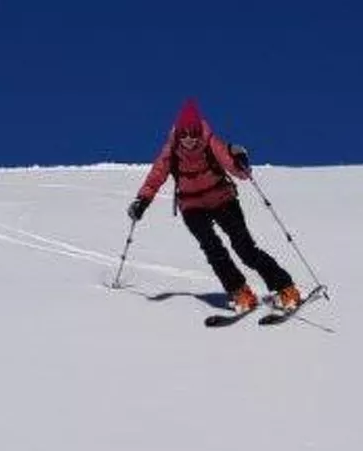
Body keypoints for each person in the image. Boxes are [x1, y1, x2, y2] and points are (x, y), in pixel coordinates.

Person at [127, 98, 301, 314]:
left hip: (222, 199)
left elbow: (229, 162)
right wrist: (142, 201)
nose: (189, 139)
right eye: (184, 134)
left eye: (193, 133)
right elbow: (156, 176)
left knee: (245, 248)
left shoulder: (210, 142)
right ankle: (240, 292)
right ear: (178, 134)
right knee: (212, 249)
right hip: (192, 206)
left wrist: (240, 162)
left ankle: (285, 287)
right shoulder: (170, 151)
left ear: (199, 130)